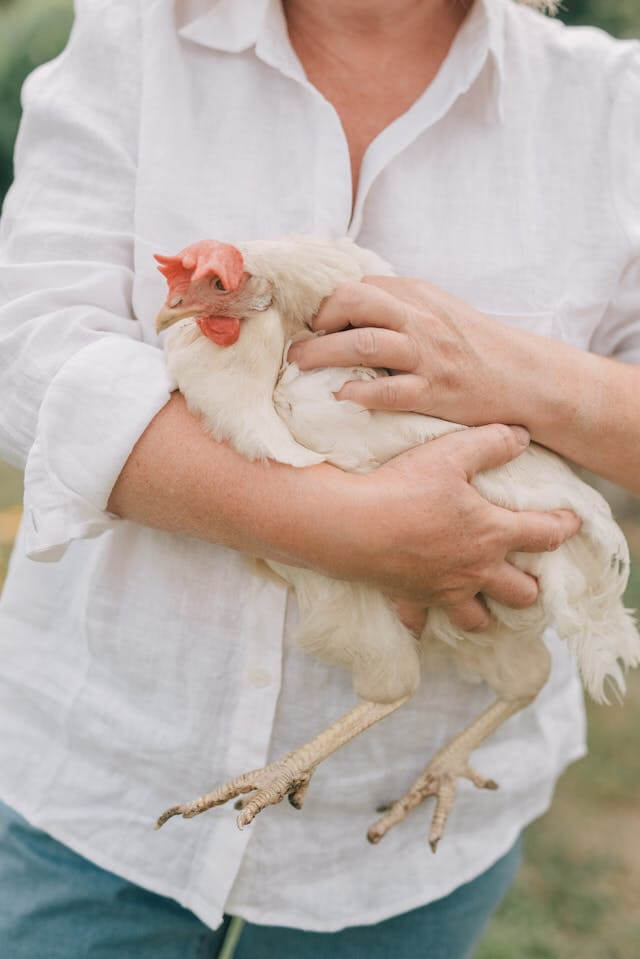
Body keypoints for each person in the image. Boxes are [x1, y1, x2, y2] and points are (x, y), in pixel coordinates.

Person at [0, 0, 638, 956]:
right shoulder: (137, 37)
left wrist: (513, 371)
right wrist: (343, 527)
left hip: (402, 841)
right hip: (104, 779)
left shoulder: (608, 107)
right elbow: (30, 350)